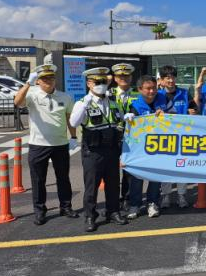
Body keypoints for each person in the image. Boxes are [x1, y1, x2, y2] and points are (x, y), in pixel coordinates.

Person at [13, 64, 79, 225]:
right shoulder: (32, 95)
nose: (48, 81)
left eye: (51, 78)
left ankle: (66, 206)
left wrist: (73, 137)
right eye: (44, 78)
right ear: (38, 81)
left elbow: (69, 118)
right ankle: (40, 211)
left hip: (60, 144)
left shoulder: (65, 97)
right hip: (38, 145)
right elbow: (17, 102)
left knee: (63, 178)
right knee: (38, 180)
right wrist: (27, 84)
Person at [69, 67, 128, 232]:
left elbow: (119, 120)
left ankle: (113, 211)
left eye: (103, 81)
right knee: (92, 185)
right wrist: (85, 104)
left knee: (113, 184)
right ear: (89, 83)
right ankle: (90, 216)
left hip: (112, 149)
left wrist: (127, 117)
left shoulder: (113, 102)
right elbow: (73, 122)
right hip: (93, 151)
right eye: (97, 82)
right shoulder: (82, 103)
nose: (101, 84)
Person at [125, 75, 168, 219]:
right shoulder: (134, 105)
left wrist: (167, 115)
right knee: (137, 177)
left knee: (155, 176)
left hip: (159, 146)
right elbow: (128, 128)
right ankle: (135, 205)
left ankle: (153, 203)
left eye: (154, 88)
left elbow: (175, 115)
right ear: (140, 89)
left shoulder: (163, 99)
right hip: (140, 147)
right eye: (148, 88)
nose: (152, 91)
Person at [158, 65, 197, 209]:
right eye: (167, 78)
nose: (171, 80)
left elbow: (194, 108)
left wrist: (193, 112)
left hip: (182, 136)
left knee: (181, 166)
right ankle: (166, 196)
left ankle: (182, 195)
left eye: (173, 77)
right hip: (164, 137)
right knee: (165, 167)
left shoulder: (184, 93)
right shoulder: (157, 95)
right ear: (162, 80)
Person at [110, 63, 138, 210]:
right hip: (112, 136)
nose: (124, 78)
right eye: (120, 76)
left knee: (128, 170)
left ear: (131, 77)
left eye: (126, 76)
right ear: (115, 78)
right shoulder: (108, 94)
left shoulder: (137, 94)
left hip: (132, 137)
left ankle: (126, 198)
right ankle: (113, 199)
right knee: (112, 170)